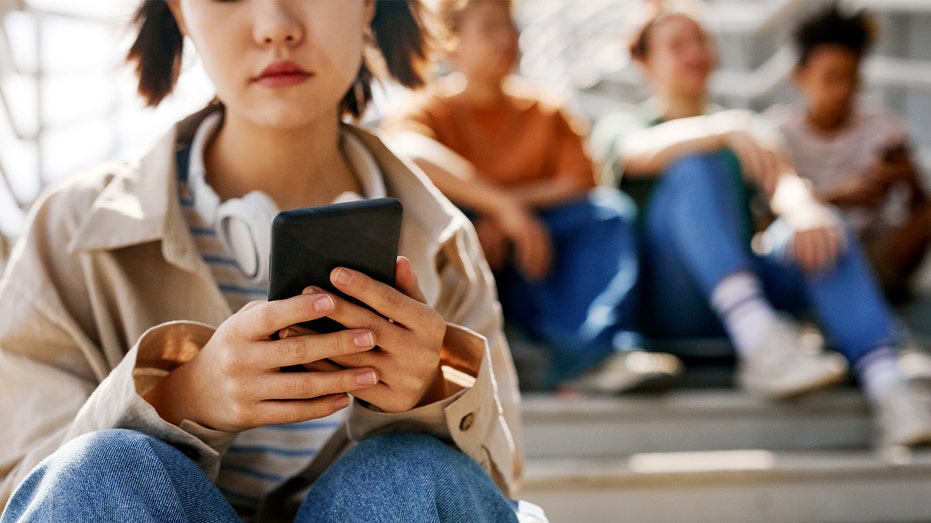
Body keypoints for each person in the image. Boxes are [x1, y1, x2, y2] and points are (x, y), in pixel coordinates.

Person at [0, 1, 531, 521]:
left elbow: (497, 490)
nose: (277, 26)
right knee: (104, 470)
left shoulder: (442, 242)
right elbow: (24, 492)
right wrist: (178, 398)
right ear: (180, 12)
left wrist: (432, 396)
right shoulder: (68, 233)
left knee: (414, 475)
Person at [591, 9, 931, 447]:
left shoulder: (745, 128)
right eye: (677, 45)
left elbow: (784, 182)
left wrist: (805, 210)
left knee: (823, 225)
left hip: (748, 293)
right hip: (672, 301)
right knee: (695, 166)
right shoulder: (627, 125)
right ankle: (759, 338)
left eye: (701, 41)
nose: (694, 53)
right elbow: (637, 152)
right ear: (644, 62)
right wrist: (723, 129)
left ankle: (889, 389)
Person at [383, 0, 682, 393]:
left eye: (511, 27)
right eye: (489, 28)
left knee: (606, 214)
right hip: (468, 257)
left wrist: (513, 214)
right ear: (452, 44)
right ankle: (444, 361)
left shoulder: (546, 109)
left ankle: (599, 354)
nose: (507, 39)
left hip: (540, 260)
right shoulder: (427, 108)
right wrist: (500, 207)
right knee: (428, 222)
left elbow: (581, 181)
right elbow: (406, 151)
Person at [766, 3, 931, 304]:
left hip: (875, 253)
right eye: (831, 78)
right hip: (809, 253)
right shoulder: (775, 132)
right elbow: (765, 220)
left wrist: (908, 179)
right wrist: (837, 197)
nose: (842, 90)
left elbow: (920, 209)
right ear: (801, 77)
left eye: (851, 77)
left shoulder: (883, 126)